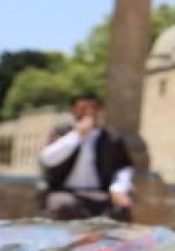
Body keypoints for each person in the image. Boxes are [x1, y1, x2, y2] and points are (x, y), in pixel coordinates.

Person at [38, 93, 134, 221]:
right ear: (72, 110)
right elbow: (47, 158)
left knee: (121, 209)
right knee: (63, 206)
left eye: (93, 108)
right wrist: (77, 135)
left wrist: (118, 189)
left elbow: (123, 166)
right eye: (83, 109)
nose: (88, 113)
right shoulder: (62, 132)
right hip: (63, 191)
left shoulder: (111, 137)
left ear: (100, 110)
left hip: (99, 193)